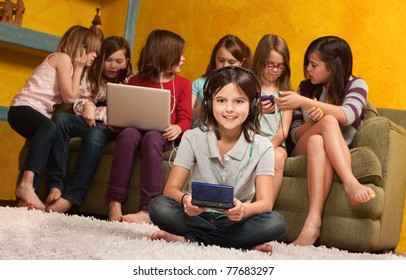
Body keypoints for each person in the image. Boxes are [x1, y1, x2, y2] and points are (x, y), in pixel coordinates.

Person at [148, 66, 286, 254]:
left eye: (239, 101)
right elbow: (170, 189)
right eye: (221, 100)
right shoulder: (192, 137)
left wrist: (244, 210)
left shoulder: (263, 147)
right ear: (209, 103)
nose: (229, 109)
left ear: (253, 105)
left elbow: (265, 202)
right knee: (159, 207)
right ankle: (238, 243)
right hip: (195, 217)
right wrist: (186, 200)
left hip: (235, 221)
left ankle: (190, 239)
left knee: (275, 223)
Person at [276, 36, 376, 246]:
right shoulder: (306, 88)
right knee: (327, 122)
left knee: (318, 141)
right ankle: (350, 182)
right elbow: (294, 135)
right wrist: (313, 121)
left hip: (330, 148)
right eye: (307, 64)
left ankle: (313, 224)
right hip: (302, 146)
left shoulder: (356, 85)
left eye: (314, 65)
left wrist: (303, 103)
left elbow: (349, 114)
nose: (308, 70)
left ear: (333, 66)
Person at [8, 25, 100, 211]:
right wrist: (80, 67)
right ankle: (25, 185)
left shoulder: (71, 68)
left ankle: (27, 198)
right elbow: (69, 97)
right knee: (49, 128)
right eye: (92, 50)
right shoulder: (62, 58)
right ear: (81, 47)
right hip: (23, 108)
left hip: (32, 113)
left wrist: (78, 69)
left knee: (45, 138)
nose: (95, 55)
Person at [107, 29, 192, 223]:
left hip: (163, 138)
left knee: (153, 136)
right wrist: (117, 123)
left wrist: (178, 127)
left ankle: (148, 210)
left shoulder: (182, 84)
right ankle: (115, 202)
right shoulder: (136, 81)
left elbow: (186, 119)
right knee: (128, 134)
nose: (183, 59)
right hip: (134, 132)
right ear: (165, 55)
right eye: (179, 54)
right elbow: (125, 112)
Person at [45, 36, 133, 213]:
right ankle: (56, 184)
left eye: (119, 61)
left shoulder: (130, 80)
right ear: (100, 58)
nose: (113, 66)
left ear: (127, 61)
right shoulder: (90, 74)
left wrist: (95, 109)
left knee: (94, 136)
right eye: (108, 60)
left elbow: (127, 112)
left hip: (112, 128)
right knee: (61, 119)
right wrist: (86, 105)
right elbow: (78, 99)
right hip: (88, 121)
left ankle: (72, 197)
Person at [252, 34, 293, 203]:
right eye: (270, 64)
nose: (275, 70)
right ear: (260, 61)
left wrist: (267, 147)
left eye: (280, 66)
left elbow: (283, 132)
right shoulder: (248, 87)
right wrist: (255, 111)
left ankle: (265, 207)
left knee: (277, 156)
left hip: (274, 143)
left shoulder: (284, 92)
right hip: (248, 140)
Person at [191, 35, 251, 128]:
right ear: (214, 58)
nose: (225, 66)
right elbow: (187, 118)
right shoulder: (199, 83)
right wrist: (204, 107)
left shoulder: (246, 85)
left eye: (231, 62)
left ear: (242, 62)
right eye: (221, 60)